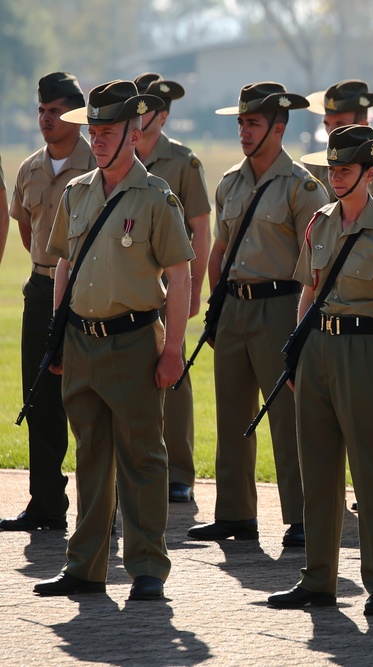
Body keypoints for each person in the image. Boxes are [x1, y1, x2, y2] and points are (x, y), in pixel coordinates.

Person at [33, 80, 193, 600]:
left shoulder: (155, 196)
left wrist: (173, 351)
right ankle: (85, 566)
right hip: (81, 340)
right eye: (93, 131)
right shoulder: (78, 192)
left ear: (133, 131)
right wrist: (57, 334)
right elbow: (63, 264)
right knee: (90, 455)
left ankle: (147, 567)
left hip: (133, 342)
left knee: (143, 456)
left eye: (107, 132)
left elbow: (180, 273)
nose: (97, 140)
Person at [267, 125, 373, 615]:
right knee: (317, 468)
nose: (336, 177)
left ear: (369, 173)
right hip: (316, 351)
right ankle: (318, 579)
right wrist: (295, 354)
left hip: (363, 352)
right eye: (332, 168)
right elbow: (308, 292)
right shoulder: (319, 222)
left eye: (346, 169)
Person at [187, 82, 328, 547]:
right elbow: (221, 249)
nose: (245, 132)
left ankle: (303, 518)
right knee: (231, 414)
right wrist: (215, 305)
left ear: (279, 128)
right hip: (233, 308)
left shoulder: (303, 186)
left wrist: (305, 323)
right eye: (242, 123)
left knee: (287, 415)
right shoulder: (229, 182)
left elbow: (318, 261)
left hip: (280, 308)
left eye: (254, 123)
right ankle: (234, 515)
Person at [2, 72, 95, 532]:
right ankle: (45, 504)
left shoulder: (98, 167)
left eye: (56, 110)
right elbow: (27, 232)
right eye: (41, 110)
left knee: (92, 403)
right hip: (42, 290)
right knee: (39, 398)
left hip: (90, 295)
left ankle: (100, 511)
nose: (46, 118)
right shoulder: (30, 168)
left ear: (77, 115)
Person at [133, 72, 212, 504]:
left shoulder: (184, 162)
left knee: (173, 368)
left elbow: (200, 228)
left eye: (148, 110)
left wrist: (196, 286)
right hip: (128, 283)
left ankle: (179, 472)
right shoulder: (113, 158)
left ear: (162, 117)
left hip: (170, 282)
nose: (141, 117)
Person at [304, 80, 373, 229]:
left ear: (363, 125)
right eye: (327, 124)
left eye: (339, 124)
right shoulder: (314, 169)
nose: (331, 131)